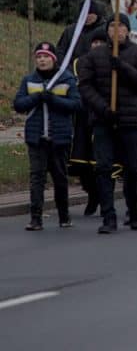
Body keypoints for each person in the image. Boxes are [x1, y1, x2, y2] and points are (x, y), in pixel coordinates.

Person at [77, 14, 137, 234]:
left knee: (131, 168)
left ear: (128, 30)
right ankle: (108, 216)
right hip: (103, 120)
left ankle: (134, 211)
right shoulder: (95, 55)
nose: (116, 30)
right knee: (103, 167)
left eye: (120, 26)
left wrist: (123, 68)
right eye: (112, 26)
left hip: (130, 119)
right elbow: (85, 85)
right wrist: (102, 108)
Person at [14, 42, 81, 231]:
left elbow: (76, 105)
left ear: (53, 59)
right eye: (38, 57)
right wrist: (36, 98)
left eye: (45, 56)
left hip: (59, 138)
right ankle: (35, 218)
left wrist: (54, 99)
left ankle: (64, 216)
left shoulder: (66, 79)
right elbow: (18, 104)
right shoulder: (29, 80)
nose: (42, 60)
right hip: (36, 138)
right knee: (37, 177)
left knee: (59, 177)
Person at [59, 1, 107, 217]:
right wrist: (73, 73)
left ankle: (103, 196)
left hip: (100, 103)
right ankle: (91, 191)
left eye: (92, 13)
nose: (88, 17)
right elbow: (61, 56)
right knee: (79, 156)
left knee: (101, 155)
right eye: (85, 13)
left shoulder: (105, 31)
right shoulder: (71, 32)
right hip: (79, 102)